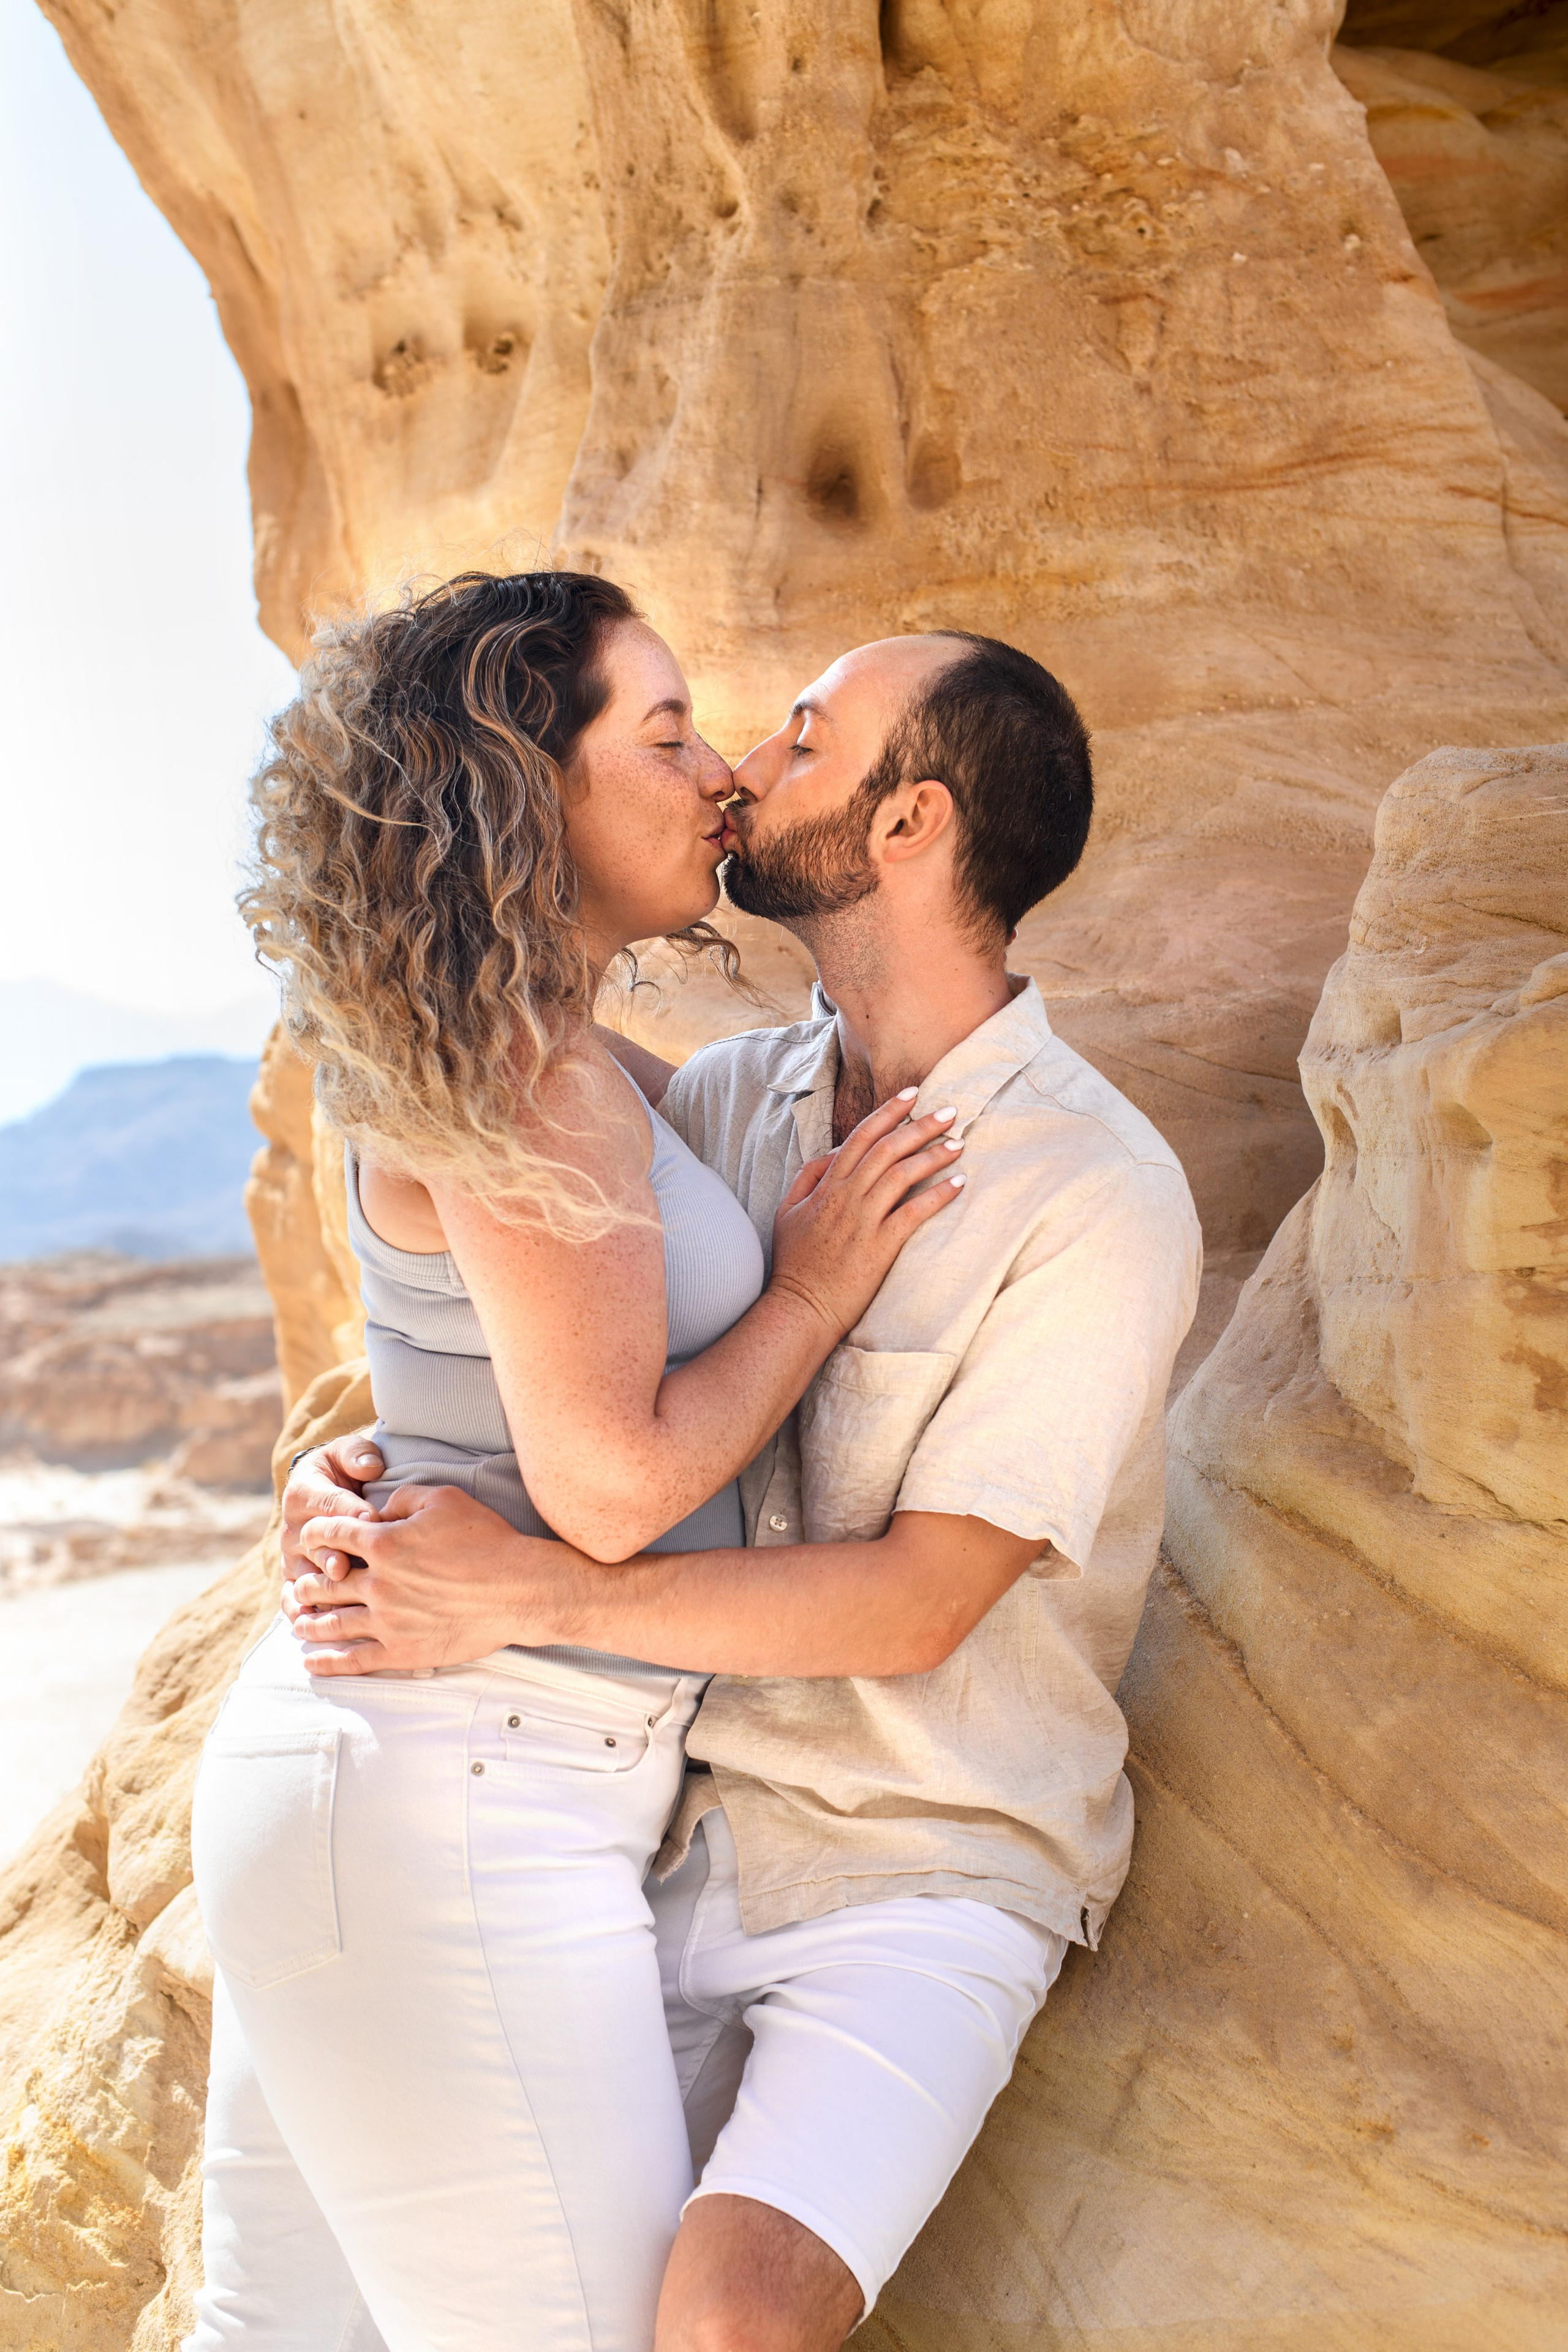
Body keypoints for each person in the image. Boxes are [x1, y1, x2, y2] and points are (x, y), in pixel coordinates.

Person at [281, 628, 1203, 2352]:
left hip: (928, 1857)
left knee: (732, 2327)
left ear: (910, 824)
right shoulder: (721, 1102)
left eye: (799, 743)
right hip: (655, 1834)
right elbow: (533, 1307)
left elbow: (924, 1602)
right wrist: (350, 1474)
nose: (739, 776)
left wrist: (535, 1592)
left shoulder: (1094, 1193)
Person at [184, 572, 967, 2352]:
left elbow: (480, 1377)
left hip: (400, 1780)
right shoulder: (526, 1074)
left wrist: (362, 1462)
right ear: (521, 789)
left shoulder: (547, 1056)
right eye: (668, 732)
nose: (718, 779)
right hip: (458, 1791)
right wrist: (823, 1290)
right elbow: (610, 1483)